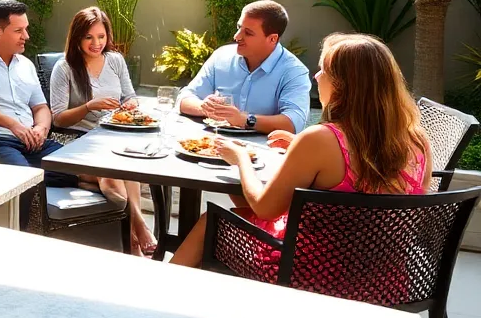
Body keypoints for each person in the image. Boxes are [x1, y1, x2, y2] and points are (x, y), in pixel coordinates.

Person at [171, 33, 430, 268]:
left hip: (311, 270)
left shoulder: (320, 139)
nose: (316, 76)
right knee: (242, 204)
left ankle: (161, 296)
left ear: (342, 85)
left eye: (323, 70)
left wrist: (240, 159)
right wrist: (298, 146)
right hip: (384, 278)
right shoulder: (418, 140)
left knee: (211, 221)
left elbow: (265, 208)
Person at [0, 0, 80, 231]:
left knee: (85, 170)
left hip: (33, 142)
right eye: (19, 30)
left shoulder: (25, 65)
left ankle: (44, 179)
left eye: (26, 29)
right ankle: (19, 235)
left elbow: (41, 107)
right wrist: (13, 125)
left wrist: (41, 128)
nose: (26, 36)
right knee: (21, 180)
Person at [48, 7, 156, 255]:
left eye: (101, 36)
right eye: (89, 37)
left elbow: (130, 96)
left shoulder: (115, 60)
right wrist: (88, 106)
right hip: (76, 140)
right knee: (114, 181)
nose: (96, 43)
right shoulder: (64, 68)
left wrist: (130, 105)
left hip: (113, 135)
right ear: (77, 37)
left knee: (128, 167)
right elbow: (58, 119)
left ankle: (130, 235)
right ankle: (139, 229)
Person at [179, 0, 311, 134]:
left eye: (248, 33)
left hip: (264, 146)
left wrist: (245, 120)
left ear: (272, 39)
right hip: (212, 141)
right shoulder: (221, 57)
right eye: (239, 28)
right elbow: (184, 98)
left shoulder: (294, 72)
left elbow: (294, 123)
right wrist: (203, 107)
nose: (236, 36)